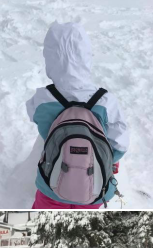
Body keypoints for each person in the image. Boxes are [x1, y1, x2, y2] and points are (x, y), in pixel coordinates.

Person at [27, 22, 129, 208]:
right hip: (94, 185)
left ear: (50, 59)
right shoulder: (105, 101)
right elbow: (120, 143)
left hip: (51, 182)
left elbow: (33, 115)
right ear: (86, 57)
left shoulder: (42, 98)